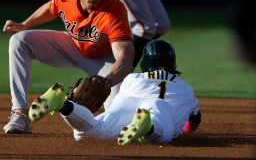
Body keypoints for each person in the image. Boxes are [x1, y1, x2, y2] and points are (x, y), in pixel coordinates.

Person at [2, 0, 134, 134]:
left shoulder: (114, 10)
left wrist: (107, 81)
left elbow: (125, 57)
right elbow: (51, 8)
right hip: (71, 47)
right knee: (19, 40)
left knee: (117, 120)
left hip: (102, 60)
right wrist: (24, 25)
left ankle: (71, 111)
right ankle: (20, 113)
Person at [29, 39, 201, 145]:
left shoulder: (132, 78)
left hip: (129, 104)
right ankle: (147, 127)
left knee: (91, 133)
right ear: (173, 62)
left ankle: (63, 105)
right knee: (163, 132)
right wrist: (187, 132)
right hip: (157, 108)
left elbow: (119, 104)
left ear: (145, 61)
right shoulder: (186, 89)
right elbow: (194, 121)